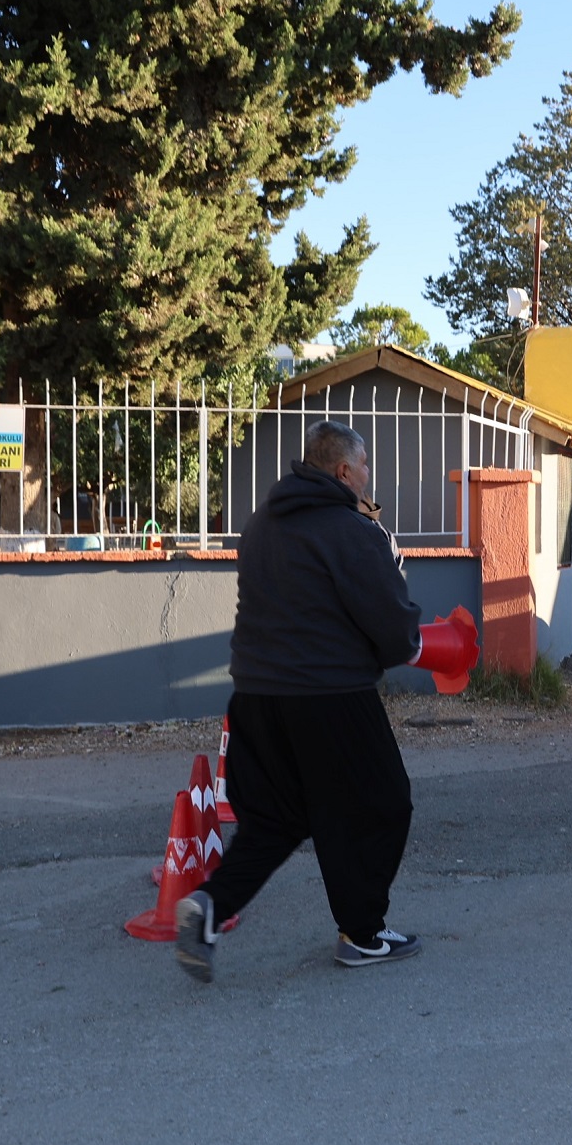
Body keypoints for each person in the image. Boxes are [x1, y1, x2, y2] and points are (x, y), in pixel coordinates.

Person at [175, 420, 426, 982]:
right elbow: (392, 625)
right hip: (331, 697)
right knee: (384, 803)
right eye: (365, 468)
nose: (368, 478)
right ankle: (362, 934)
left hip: (257, 697)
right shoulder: (350, 531)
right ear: (343, 471)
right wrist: (406, 633)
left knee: (277, 819)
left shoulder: (261, 526)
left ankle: (210, 906)